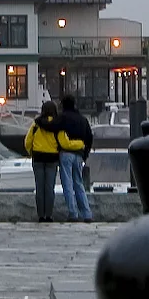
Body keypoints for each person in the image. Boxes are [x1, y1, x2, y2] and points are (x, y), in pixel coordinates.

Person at [24, 100, 84, 222]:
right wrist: (81, 144)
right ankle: (49, 215)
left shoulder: (36, 124)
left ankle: (41, 215)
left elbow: (27, 142)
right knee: (49, 188)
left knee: (39, 188)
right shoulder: (58, 125)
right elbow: (65, 143)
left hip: (38, 158)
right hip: (52, 158)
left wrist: (32, 152)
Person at [57, 94, 94, 222]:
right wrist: (85, 155)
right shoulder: (82, 119)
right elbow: (89, 137)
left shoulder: (62, 118)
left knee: (67, 184)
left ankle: (73, 213)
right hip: (79, 154)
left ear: (63, 105)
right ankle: (87, 213)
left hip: (65, 153)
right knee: (78, 183)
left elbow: (54, 130)